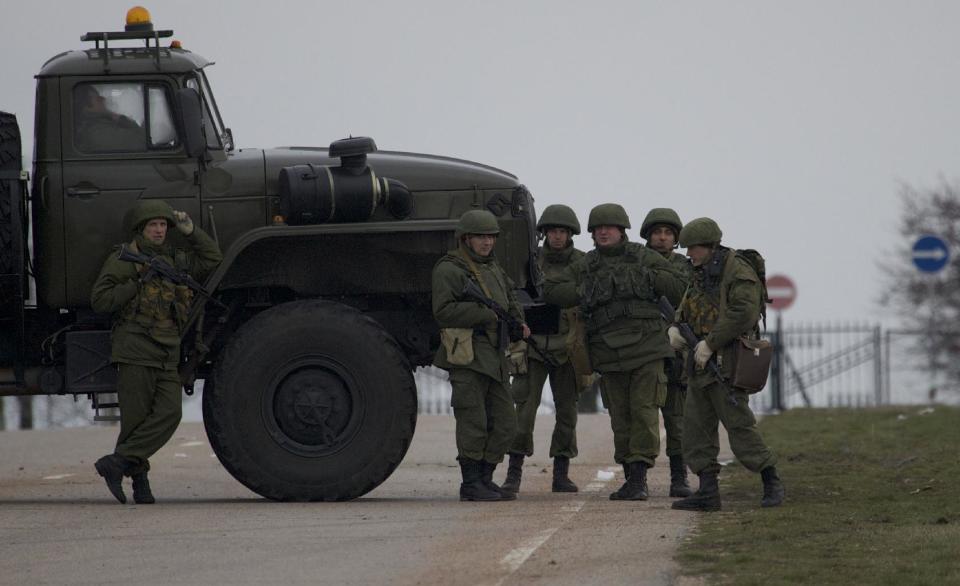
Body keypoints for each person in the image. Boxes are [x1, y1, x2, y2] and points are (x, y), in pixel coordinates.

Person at [544, 203, 686, 500]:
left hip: (646, 348)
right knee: (620, 416)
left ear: (622, 231)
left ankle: (639, 479)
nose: (603, 232)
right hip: (608, 352)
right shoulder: (588, 265)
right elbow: (553, 290)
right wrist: (590, 289)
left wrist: (644, 279)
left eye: (609, 227)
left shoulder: (642, 256)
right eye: (598, 228)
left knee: (644, 412)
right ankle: (632, 476)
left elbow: (678, 285)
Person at [91, 200, 222, 504]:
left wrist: (191, 231)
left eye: (164, 225)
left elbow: (213, 259)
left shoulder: (174, 260)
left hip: (167, 349)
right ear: (141, 229)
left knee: (170, 413)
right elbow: (101, 299)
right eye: (154, 226)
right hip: (135, 347)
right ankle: (141, 486)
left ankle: (116, 462)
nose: (160, 230)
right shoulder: (125, 259)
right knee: (136, 421)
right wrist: (137, 283)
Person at [668, 217, 785, 511]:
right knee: (695, 428)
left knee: (739, 425)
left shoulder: (738, 270)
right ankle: (708, 491)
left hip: (728, 360)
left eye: (693, 248)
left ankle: (771, 479)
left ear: (709, 246)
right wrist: (676, 327)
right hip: (699, 361)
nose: (689, 254)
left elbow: (744, 312)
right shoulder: (700, 272)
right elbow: (687, 303)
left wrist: (711, 343)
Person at [432, 209, 529, 501]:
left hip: (494, 355)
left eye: (491, 237)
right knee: (473, 420)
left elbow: (510, 299)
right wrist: (485, 314)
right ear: (466, 239)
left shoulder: (492, 268)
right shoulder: (450, 269)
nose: (487, 242)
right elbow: (443, 311)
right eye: (480, 237)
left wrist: (517, 322)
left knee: (506, 423)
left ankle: (485, 478)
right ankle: (471, 483)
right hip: (468, 355)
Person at [501, 204, 586, 495]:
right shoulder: (529, 260)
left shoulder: (583, 263)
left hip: (567, 348)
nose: (557, 236)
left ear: (570, 233)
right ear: (544, 233)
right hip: (532, 345)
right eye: (552, 231)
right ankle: (514, 473)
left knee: (567, 414)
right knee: (523, 412)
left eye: (562, 231)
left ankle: (561, 474)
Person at [639, 208, 693, 497]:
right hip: (644, 349)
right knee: (641, 416)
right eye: (657, 233)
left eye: (668, 233)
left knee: (676, 418)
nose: (662, 238)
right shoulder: (635, 263)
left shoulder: (685, 267)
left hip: (675, 351)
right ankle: (638, 478)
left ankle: (679, 476)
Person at [74, 84, 144, 152]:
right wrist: (123, 119)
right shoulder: (98, 133)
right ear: (86, 107)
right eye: (98, 98)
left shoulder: (99, 124)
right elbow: (142, 142)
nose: (103, 99)